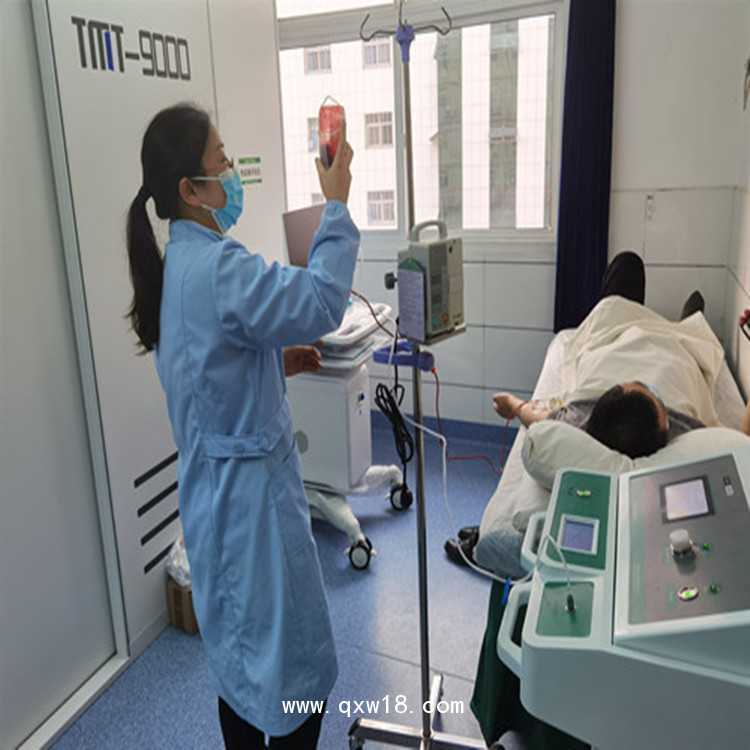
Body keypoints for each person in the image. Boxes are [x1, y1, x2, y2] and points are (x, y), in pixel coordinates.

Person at [125, 103, 358, 749]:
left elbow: (204, 374)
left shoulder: (177, 268)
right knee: (294, 678)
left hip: (212, 501)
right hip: (252, 508)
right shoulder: (221, 268)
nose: (232, 170)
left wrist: (270, 362)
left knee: (238, 669)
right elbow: (322, 301)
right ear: (190, 189)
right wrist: (336, 203)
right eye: (222, 159)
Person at [446, 251, 750, 566]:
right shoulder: (691, 433)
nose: (642, 382)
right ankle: (689, 324)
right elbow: (742, 446)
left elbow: (537, 420)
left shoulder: (579, 416)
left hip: (614, 342)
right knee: (693, 341)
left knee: (625, 272)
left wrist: (512, 404)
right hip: (676, 354)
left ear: (606, 398)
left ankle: (686, 325)